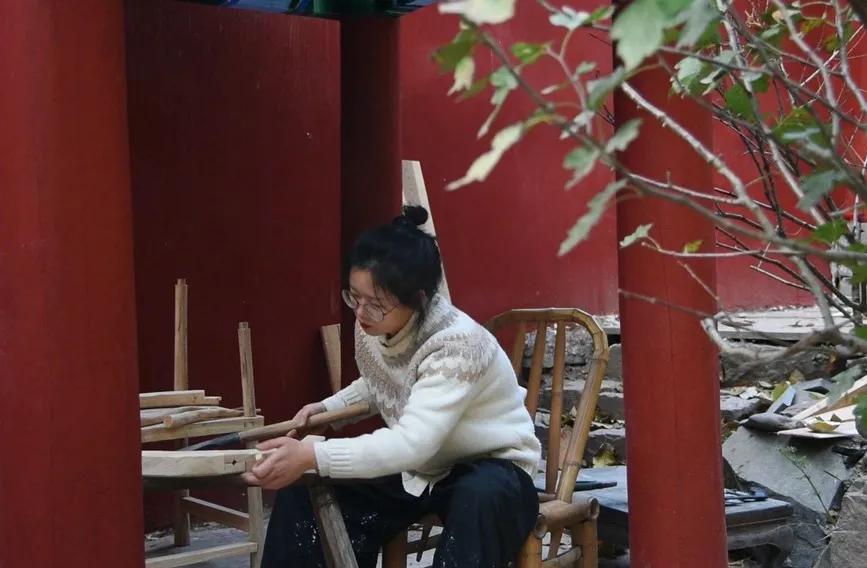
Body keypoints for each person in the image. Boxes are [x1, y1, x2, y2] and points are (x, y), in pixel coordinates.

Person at [244, 205, 542, 568]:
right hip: (422, 468)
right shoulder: (372, 325)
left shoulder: (457, 345)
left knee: (479, 499)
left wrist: (313, 454)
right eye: (355, 296)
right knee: (305, 492)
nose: (361, 312)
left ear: (418, 299)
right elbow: (380, 381)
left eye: (377, 304)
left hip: (491, 467)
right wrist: (328, 409)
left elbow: (412, 443)